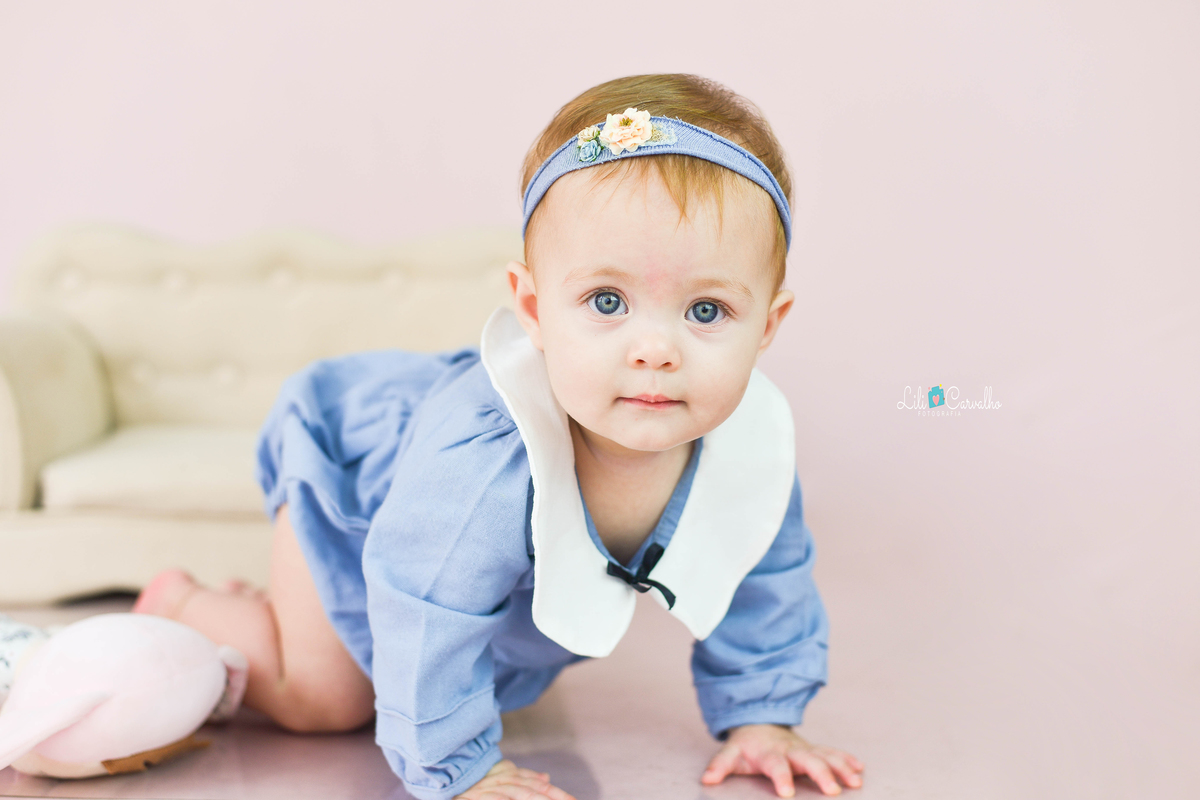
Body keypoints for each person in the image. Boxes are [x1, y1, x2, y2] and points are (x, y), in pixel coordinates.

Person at [134, 73, 866, 800]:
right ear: (533, 308)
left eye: (706, 312)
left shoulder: (748, 445)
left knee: (481, 670)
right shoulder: (484, 463)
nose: (656, 349)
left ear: (768, 324)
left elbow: (762, 575)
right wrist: (462, 767)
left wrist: (764, 718)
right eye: (607, 302)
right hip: (359, 492)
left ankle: (276, 613)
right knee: (325, 702)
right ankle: (188, 604)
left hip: (454, 569)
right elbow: (427, 608)